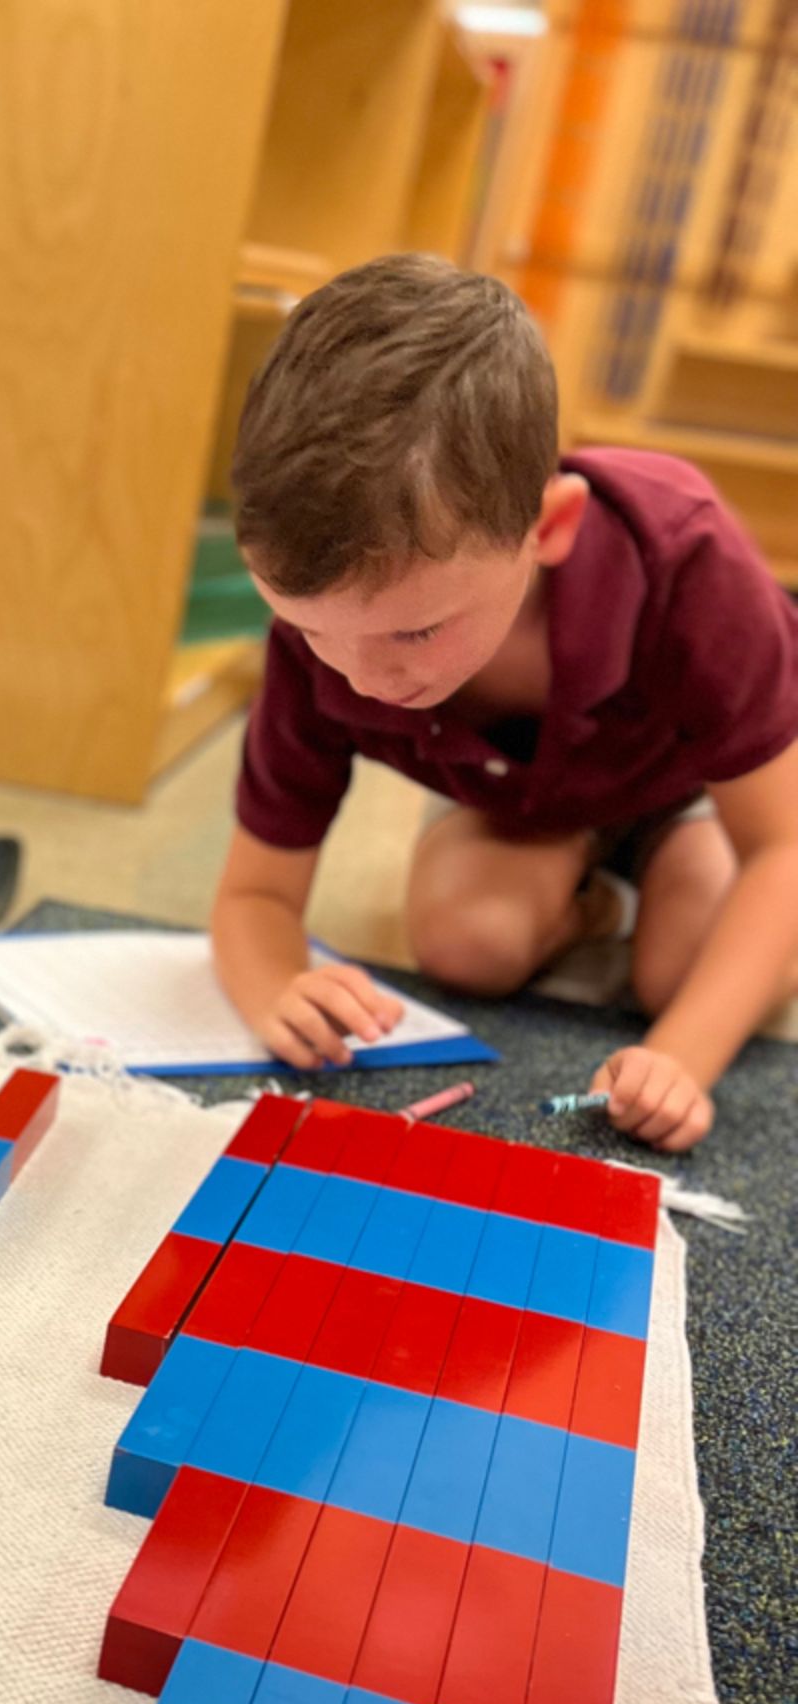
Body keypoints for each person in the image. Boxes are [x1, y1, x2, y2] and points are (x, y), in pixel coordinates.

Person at [212, 253, 798, 1150]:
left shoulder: (687, 558)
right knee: (467, 944)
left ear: (550, 529)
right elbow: (255, 893)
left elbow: (783, 848)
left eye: (415, 634)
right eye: (312, 631)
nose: (362, 677)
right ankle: (592, 892)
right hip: (519, 802)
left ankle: (653, 869)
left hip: (695, 790)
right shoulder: (328, 631)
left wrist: (677, 1057)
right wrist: (278, 988)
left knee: (689, 977)